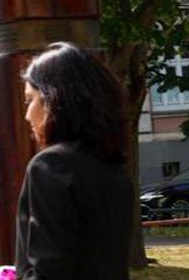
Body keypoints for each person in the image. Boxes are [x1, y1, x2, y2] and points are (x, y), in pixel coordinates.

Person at [16, 42, 133, 279]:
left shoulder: (50, 166)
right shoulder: (113, 168)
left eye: (31, 100)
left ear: (54, 100)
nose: (27, 115)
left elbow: (50, 272)